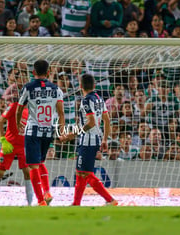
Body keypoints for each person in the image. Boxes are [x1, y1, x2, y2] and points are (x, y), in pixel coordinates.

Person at [61, 73, 118, 206]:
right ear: (94, 85)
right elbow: (107, 121)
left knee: (85, 173)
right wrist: (104, 140)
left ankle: (110, 200)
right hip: (95, 139)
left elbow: (91, 122)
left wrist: (73, 134)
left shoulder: (86, 101)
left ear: (80, 86)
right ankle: (76, 203)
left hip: (87, 140)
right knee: (81, 173)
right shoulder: (99, 98)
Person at [16, 59, 65, 206]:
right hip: (48, 131)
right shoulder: (57, 89)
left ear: (33, 72)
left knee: (33, 166)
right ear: (49, 72)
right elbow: (61, 113)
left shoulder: (29, 87)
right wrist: (61, 130)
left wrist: (18, 122)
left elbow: (19, 108)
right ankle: (47, 191)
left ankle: (40, 200)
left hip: (33, 130)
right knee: (41, 162)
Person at [0, 93, 33, 206]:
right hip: (10, 144)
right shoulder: (13, 106)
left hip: (24, 146)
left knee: (28, 173)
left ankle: (30, 203)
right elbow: (0, 122)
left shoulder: (30, 112)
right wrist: (3, 139)